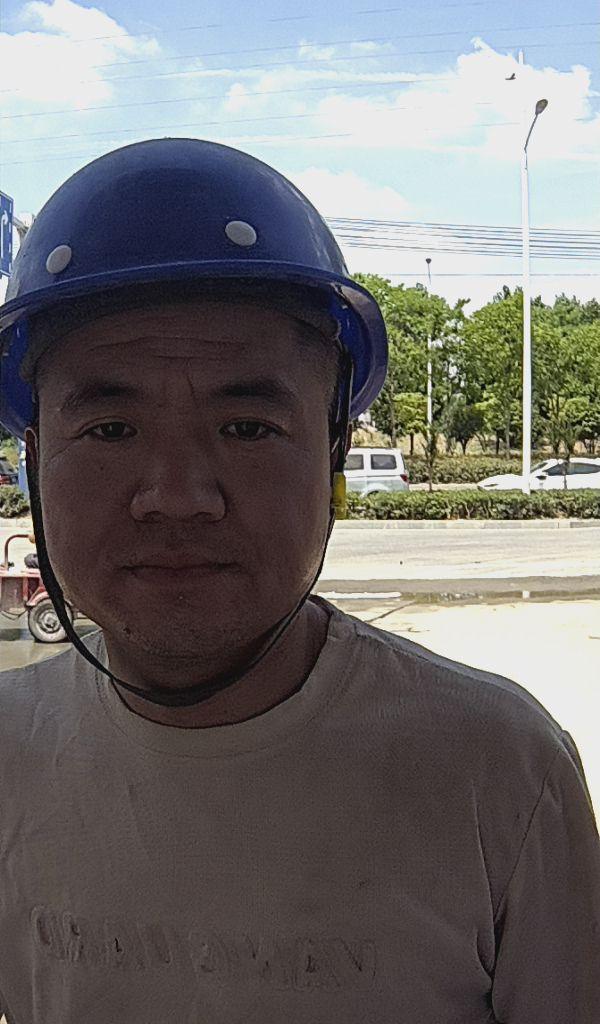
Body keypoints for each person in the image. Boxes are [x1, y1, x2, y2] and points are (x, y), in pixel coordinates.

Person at [0, 139, 598, 1024]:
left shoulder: (501, 773)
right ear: (34, 457)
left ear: (334, 453)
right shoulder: (10, 754)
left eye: (247, 427)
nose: (178, 495)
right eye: (110, 430)